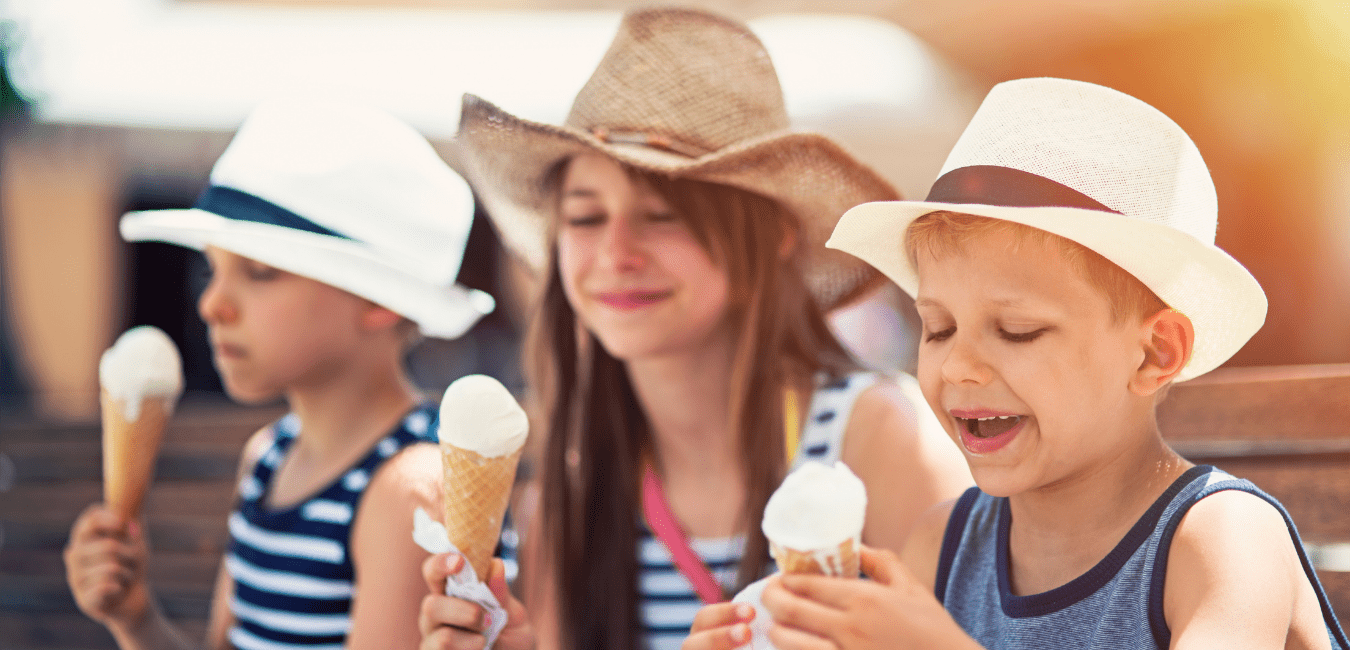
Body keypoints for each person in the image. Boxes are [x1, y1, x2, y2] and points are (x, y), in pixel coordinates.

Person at [685, 77, 1350, 649]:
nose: (962, 367)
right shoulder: (944, 544)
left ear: (1155, 352)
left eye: (1018, 331)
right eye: (938, 327)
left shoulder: (1220, 538)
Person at [416, 8, 972, 650]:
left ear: (774, 241)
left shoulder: (879, 439)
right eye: (586, 217)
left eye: (660, 215)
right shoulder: (567, 486)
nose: (616, 254)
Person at [63, 98, 495, 650]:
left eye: (260, 272)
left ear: (379, 299)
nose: (213, 304)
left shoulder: (408, 492)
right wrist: (136, 618)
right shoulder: (268, 456)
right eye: (212, 270)